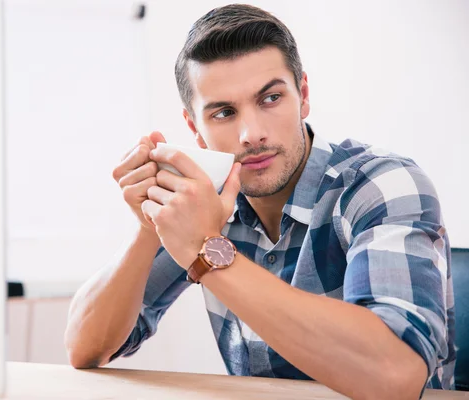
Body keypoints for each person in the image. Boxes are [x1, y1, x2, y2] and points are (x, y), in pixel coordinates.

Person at [64, 4, 455, 398]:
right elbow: (85, 347)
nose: (251, 133)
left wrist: (207, 251)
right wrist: (148, 226)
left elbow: (396, 375)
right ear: (194, 129)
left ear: (302, 95)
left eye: (269, 98)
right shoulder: (205, 202)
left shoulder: (381, 184)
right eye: (224, 113)